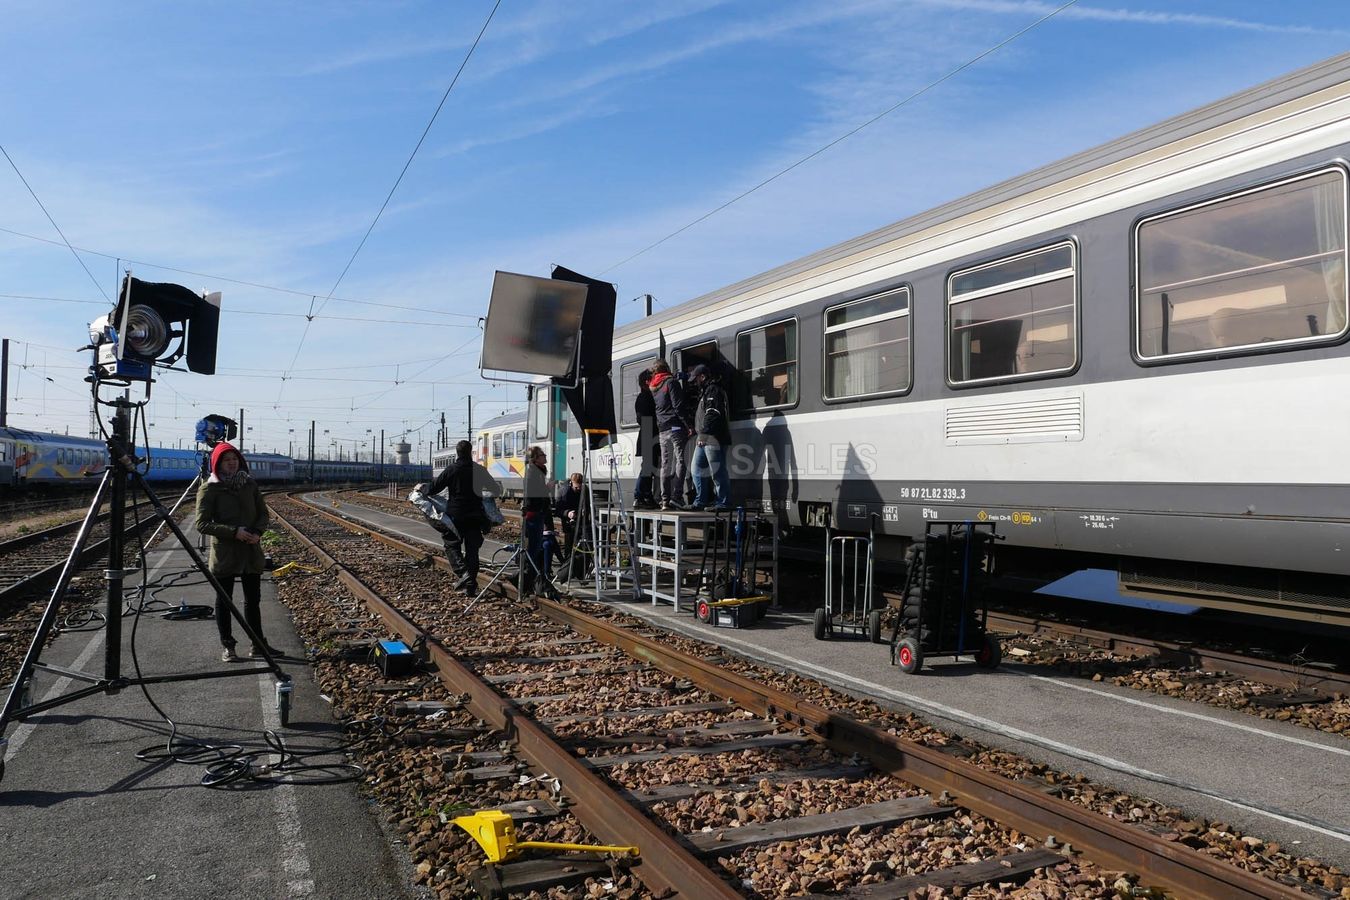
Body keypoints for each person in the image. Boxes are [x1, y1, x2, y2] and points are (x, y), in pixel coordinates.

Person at [195, 442, 273, 661]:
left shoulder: (249, 485)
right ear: (217, 463)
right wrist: (233, 532)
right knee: (224, 601)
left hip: (250, 551)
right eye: (226, 460)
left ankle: (258, 644)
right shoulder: (209, 488)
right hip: (226, 553)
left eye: (234, 459)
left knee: (253, 601)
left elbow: (263, 514)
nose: (231, 463)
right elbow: (202, 524)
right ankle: (228, 646)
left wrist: (258, 531)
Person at [426, 439, 502, 592]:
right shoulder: (479, 469)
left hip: (456, 516)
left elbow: (433, 489)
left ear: (457, 453)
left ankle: (464, 574)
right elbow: (495, 489)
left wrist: (421, 489)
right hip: (475, 516)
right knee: (472, 551)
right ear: (471, 452)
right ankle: (470, 586)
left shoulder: (451, 469)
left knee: (451, 545)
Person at [690, 364, 733, 510]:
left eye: (696, 379)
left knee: (717, 471)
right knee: (696, 469)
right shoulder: (707, 391)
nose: (695, 382)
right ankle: (700, 500)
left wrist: (703, 434)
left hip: (713, 438)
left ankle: (724, 502)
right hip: (706, 438)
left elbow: (713, 413)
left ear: (702, 376)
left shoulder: (713, 390)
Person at [649, 360, 689, 510]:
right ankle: (677, 497)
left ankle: (665, 500)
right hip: (676, 427)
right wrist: (688, 425)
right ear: (666, 369)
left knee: (665, 464)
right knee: (681, 460)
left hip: (662, 429)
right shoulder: (671, 383)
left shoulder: (653, 386)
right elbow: (678, 406)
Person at [520, 445, 554, 596]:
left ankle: (530, 580)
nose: (545, 456)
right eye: (542, 455)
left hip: (537, 512)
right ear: (535, 458)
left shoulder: (537, 472)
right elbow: (532, 493)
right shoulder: (533, 473)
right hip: (534, 514)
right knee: (533, 548)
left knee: (536, 547)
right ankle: (527, 581)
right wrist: (547, 488)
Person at [632, 369, 659, 509]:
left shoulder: (645, 397)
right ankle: (639, 495)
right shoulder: (645, 397)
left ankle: (646, 495)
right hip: (648, 433)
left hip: (649, 433)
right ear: (647, 382)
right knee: (648, 467)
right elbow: (642, 418)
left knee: (650, 467)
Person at [553, 472, 585, 578]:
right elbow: (557, 510)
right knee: (569, 546)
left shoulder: (584, 490)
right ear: (571, 483)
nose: (579, 489)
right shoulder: (564, 491)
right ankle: (568, 570)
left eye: (580, 487)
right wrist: (568, 513)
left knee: (581, 547)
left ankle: (579, 571)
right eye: (577, 488)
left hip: (581, 521)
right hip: (568, 522)